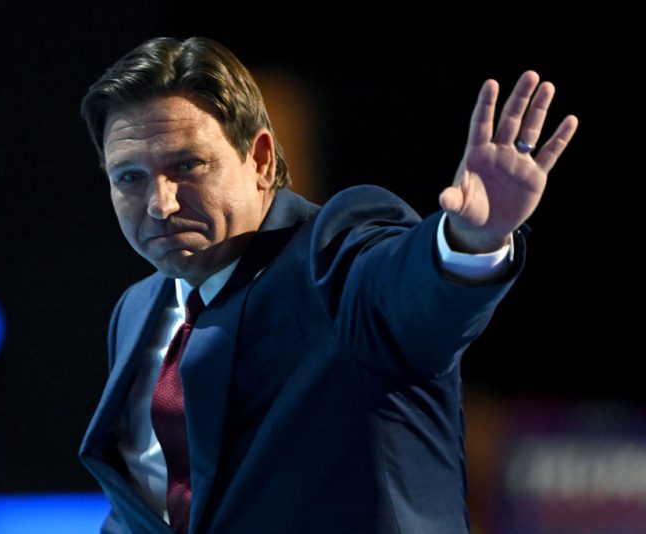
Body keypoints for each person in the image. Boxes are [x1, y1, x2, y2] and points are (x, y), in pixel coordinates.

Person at [78, 36, 577, 534]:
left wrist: (469, 239)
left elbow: (411, 294)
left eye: (186, 166)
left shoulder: (332, 255)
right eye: (129, 178)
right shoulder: (137, 310)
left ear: (261, 160)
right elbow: (147, 500)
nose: (159, 204)